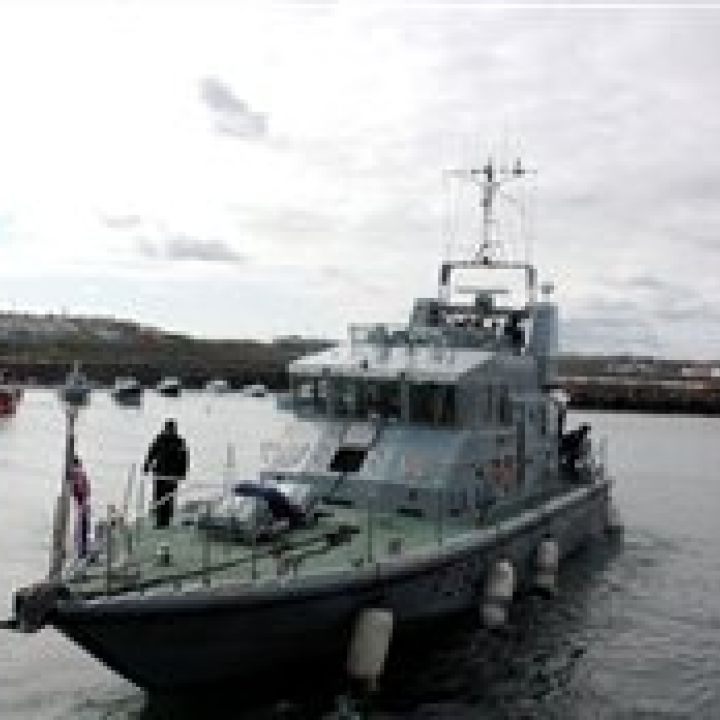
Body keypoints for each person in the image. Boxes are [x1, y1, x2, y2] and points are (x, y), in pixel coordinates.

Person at [142, 419, 189, 528]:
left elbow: (184, 458)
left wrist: (182, 473)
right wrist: (147, 466)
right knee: (158, 497)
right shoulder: (160, 439)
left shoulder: (179, 441)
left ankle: (166, 520)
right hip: (160, 473)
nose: (169, 431)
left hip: (172, 475)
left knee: (168, 498)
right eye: (168, 429)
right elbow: (152, 452)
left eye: (171, 429)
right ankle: (159, 520)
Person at [70, 455, 91, 558]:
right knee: (83, 527)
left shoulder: (77, 473)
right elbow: (86, 489)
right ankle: (83, 550)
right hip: (84, 502)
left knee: (81, 528)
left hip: (81, 503)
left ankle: (81, 552)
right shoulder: (81, 473)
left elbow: (80, 489)